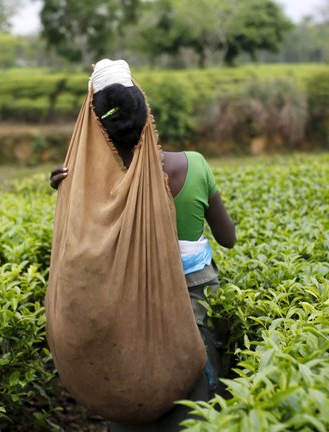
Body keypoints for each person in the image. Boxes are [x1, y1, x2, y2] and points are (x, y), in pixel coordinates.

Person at [49, 59, 236, 430]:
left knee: (130, 395)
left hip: (122, 309)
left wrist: (64, 192)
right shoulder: (193, 166)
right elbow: (228, 239)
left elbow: (81, 256)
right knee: (196, 407)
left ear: (93, 125)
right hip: (194, 300)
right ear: (143, 110)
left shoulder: (83, 185)